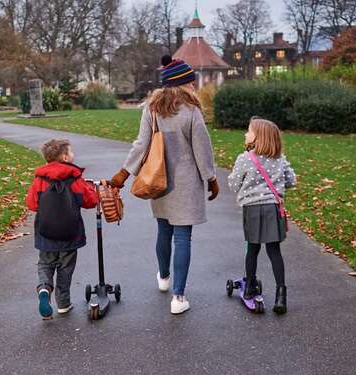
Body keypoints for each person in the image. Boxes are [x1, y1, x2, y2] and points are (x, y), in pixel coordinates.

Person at [108, 56, 218, 315]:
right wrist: (211, 179)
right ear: (183, 84)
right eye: (191, 82)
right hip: (187, 183)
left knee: (163, 230)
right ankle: (178, 297)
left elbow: (141, 144)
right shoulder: (191, 111)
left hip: (159, 182)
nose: (194, 86)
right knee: (183, 238)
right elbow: (202, 149)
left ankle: (164, 277)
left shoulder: (152, 109)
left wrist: (125, 173)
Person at [227, 117, 296, 314]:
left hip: (252, 209)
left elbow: (233, 184)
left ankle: (249, 287)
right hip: (273, 209)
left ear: (258, 138)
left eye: (249, 131)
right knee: (274, 252)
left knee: (253, 249)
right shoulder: (280, 159)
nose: (245, 134)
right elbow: (291, 180)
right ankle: (281, 295)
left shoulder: (244, 159)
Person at [26, 138, 98, 319]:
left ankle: (44, 288)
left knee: (45, 263)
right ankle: (63, 303)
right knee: (65, 268)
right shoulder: (74, 178)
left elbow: (32, 204)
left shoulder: (40, 179)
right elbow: (90, 201)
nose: (73, 155)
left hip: (46, 232)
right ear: (65, 157)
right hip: (70, 232)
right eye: (71, 152)